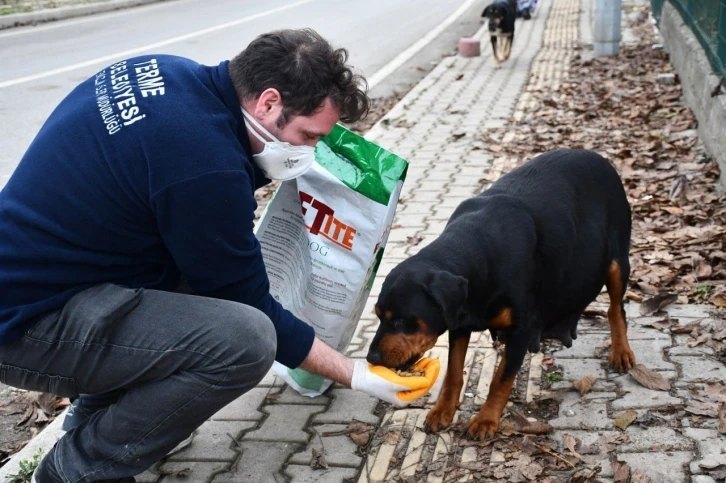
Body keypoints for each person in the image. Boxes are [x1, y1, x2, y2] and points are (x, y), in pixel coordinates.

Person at [0, 28, 437, 483]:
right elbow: (248, 301)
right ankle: (74, 471)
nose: (308, 152)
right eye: (307, 136)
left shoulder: (169, 72)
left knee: (201, 280)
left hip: (37, 274)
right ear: (267, 103)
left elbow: (206, 247)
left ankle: (96, 423)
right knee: (245, 341)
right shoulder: (204, 164)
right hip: (24, 324)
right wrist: (357, 375)